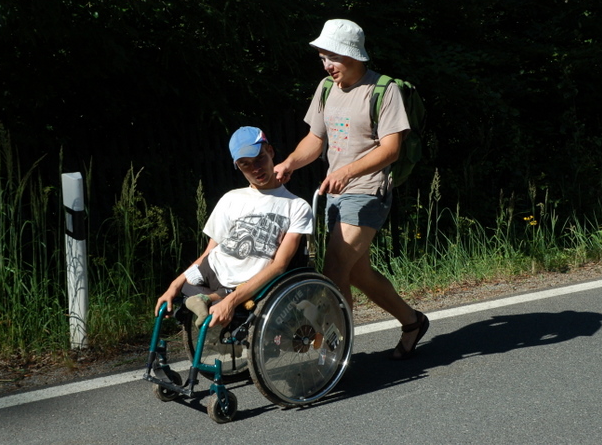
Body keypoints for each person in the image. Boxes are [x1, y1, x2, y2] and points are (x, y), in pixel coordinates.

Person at [274, 19, 429, 360]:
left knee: (334, 268)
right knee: (358, 273)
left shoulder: (383, 90)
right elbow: (315, 139)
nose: (327, 65)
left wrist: (348, 171)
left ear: (353, 55)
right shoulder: (326, 89)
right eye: (323, 58)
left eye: (333, 57)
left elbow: (391, 149)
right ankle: (413, 321)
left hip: (368, 190)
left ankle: (336, 354)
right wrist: (289, 163)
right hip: (335, 193)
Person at [155, 126, 313, 328]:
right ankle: (207, 299)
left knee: (227, 299)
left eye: (259, 159)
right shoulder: (231, 198)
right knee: (181, 289)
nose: (255, 169)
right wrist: (173, 286)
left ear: (270, 151)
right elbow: (209, 252)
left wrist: (231, 301)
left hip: (245, 284)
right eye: (245, 164)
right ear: (237, 166)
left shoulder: (297, 206)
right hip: (213, 269)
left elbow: (279, 265)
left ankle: (211, 299)